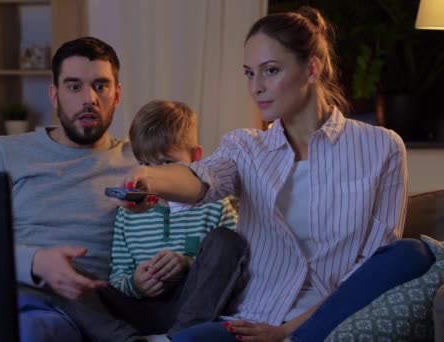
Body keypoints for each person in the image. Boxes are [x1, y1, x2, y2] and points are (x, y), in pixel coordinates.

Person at [119, 7, 435, 342]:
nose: (256, 87)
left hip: (331, 323)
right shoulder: (245, 146)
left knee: (410, 254)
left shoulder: (382, 148)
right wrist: (149, 179)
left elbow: (371, 268)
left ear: (311, 69)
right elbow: (201, 179)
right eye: (248, 73)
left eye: (270, 71)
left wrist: (287, 332)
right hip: (252, 322)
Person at [0, 36, 143, 342]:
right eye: (74, 86)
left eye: (100, 85)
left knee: (34, 332)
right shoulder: (6, 152)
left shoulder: (140, 160)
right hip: (15, 293)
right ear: (54, 96)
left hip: (86, 308)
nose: (89, 99)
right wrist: (37, 262)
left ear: (117, 95)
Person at [98, 100, 246, 337]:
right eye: (146, 164)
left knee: (226, 241)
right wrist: (136, 283)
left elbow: (231, 269)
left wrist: (188, 264)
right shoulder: (128, 213)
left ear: (196, 157)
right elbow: (118, 278)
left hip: (192, 307)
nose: (155, 176)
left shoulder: (216, 206)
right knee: (72, 284)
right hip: (142, 310)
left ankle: (182, 335)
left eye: (167, 163)